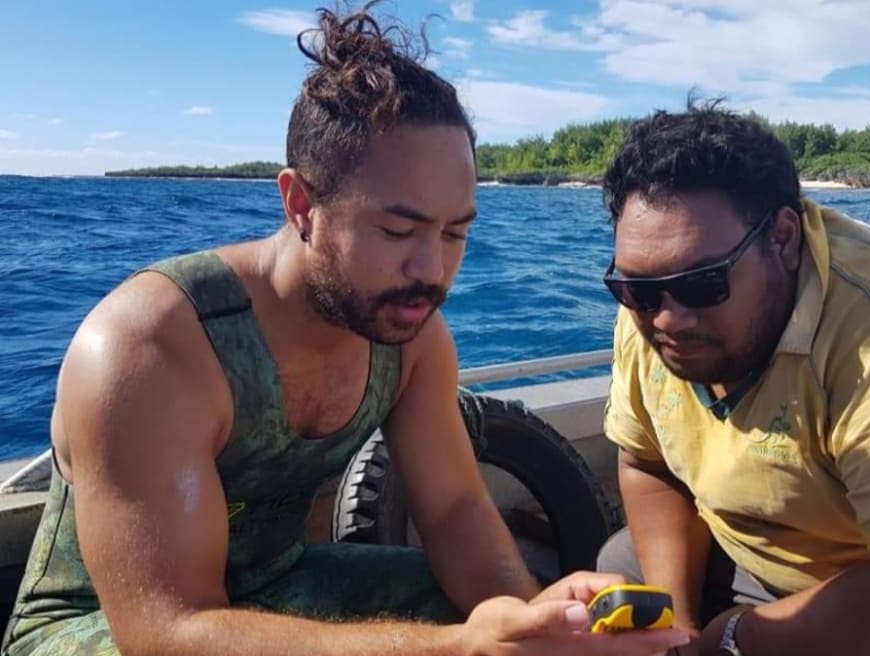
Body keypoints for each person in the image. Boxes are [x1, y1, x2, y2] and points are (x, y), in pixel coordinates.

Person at [0, 5, 690, 656]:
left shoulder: (411, 336)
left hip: (280, 582)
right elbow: (168, 632)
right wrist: (459, 646)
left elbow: (453, 510)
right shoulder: (149, 346)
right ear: (300, 203)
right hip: (100, 630)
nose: (432, 269)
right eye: (397, 229)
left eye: (456, 233)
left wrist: (524, 624)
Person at [595, 101, 870, 656]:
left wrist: (734, 637)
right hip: (772, 560)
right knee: (623, 568)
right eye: (637, 290)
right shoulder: (656, 295)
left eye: (703, 283)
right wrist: (678, 633)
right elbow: (647, 462)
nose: (666, 318)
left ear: (783, 239)